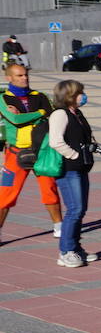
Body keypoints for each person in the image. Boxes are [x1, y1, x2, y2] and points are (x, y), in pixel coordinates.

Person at [1, 63, 64, 244]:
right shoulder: (3, 98)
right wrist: (40, 113)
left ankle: (59, 227)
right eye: (19, 76)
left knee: (49, 188)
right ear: (9, 78)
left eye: (26, 75)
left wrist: (39, 113)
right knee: (6, 193)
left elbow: (52, 116)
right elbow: (15, 119)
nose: (24, 78)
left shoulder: (39, 96)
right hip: (15, 153)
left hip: (42, 151)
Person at [48, 80, 98, 267]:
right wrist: (75, 155)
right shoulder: (60, 114)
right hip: (69, 169)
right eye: (79, 92)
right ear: (69, 95)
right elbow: (55, 141)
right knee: (74, 210)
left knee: (80, 210)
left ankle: (76, 248)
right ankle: (66, 251)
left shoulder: (77, 113)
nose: (82, 96)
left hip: (81, 168)